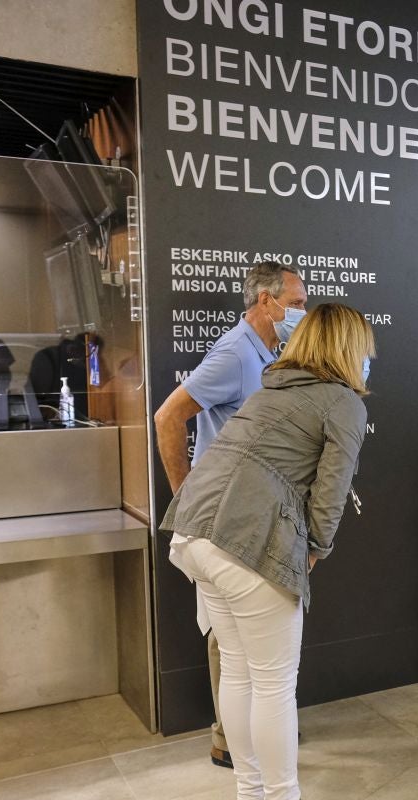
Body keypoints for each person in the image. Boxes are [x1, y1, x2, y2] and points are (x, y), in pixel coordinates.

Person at [160, 302, 372, 800]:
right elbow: (330, 493)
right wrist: (315, 550)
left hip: (193, 532)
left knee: (238, 672)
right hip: (245, 541)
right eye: (366, 348)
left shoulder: (270, 388)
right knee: (274, 684)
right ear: (349, 350)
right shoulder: (343, 402)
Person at [153, 260, 308, 768]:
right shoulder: (235, 352)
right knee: (229, 637)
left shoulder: (269, 352)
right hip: (224, 522)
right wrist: (186, 498)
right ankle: (227, 738)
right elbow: (168, 417)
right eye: (297, 302)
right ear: (267, 301)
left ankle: (251, 737)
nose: (301, 311)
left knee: (247, 640)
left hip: (256, 513)